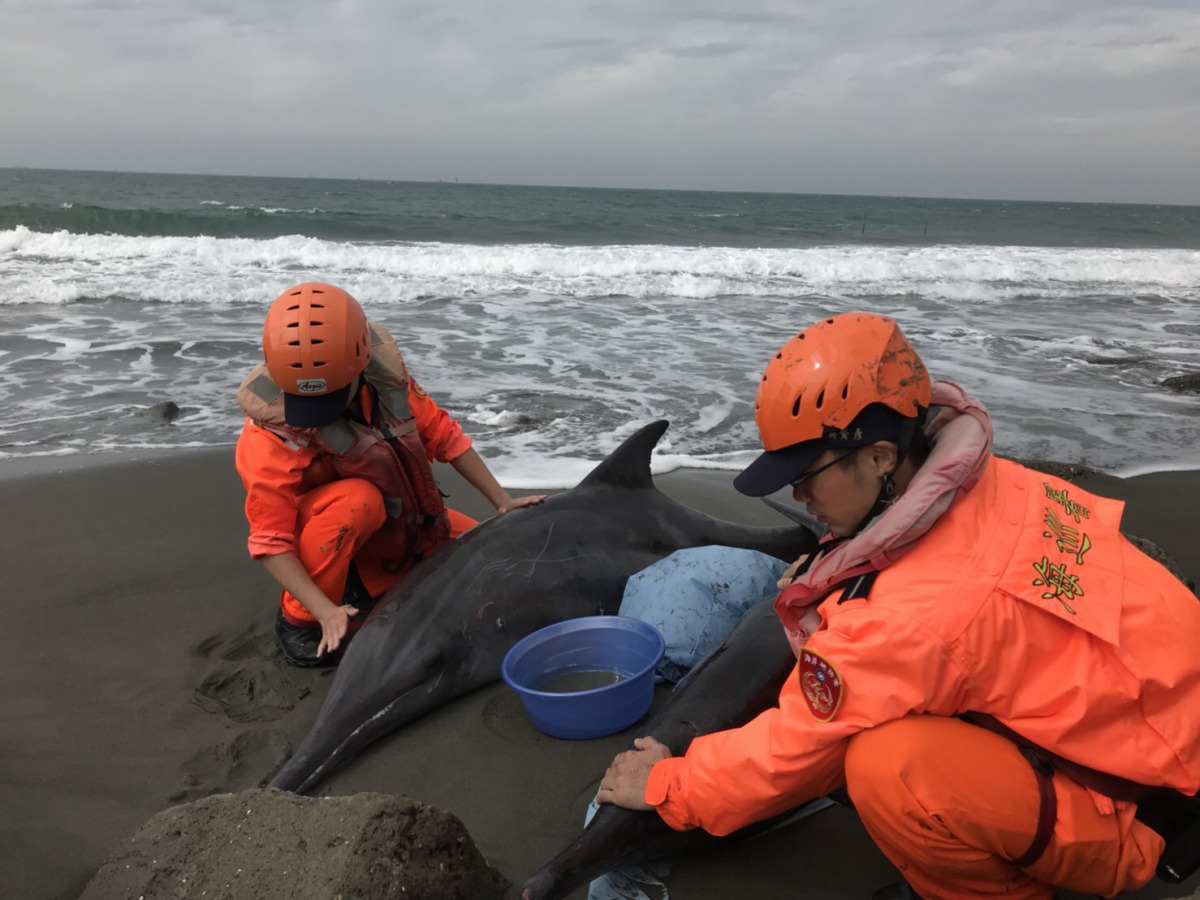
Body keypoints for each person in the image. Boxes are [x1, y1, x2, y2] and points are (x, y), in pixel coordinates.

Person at [597, 312, 1200, 899]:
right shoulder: (1001, 482)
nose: (798, 495)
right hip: (1167, 728)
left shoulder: (911, 616)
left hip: (1150, 811)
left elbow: (799, 747)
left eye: (807, 475)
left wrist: (669, 786)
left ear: (883, 457)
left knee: (887, 767)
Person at [235, 281, 544, 667]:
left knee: (499, 564)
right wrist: (323, 611)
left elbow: (444, 436)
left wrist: (502, 502)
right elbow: (270, 541)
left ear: (359, 363)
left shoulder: (387, 382)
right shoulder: (269, 430)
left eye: (329, 396)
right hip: (330, 530)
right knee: (358, 501)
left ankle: (391, 568)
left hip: (399, 524)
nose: (318, 412)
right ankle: (299, 619)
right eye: (306, 402)